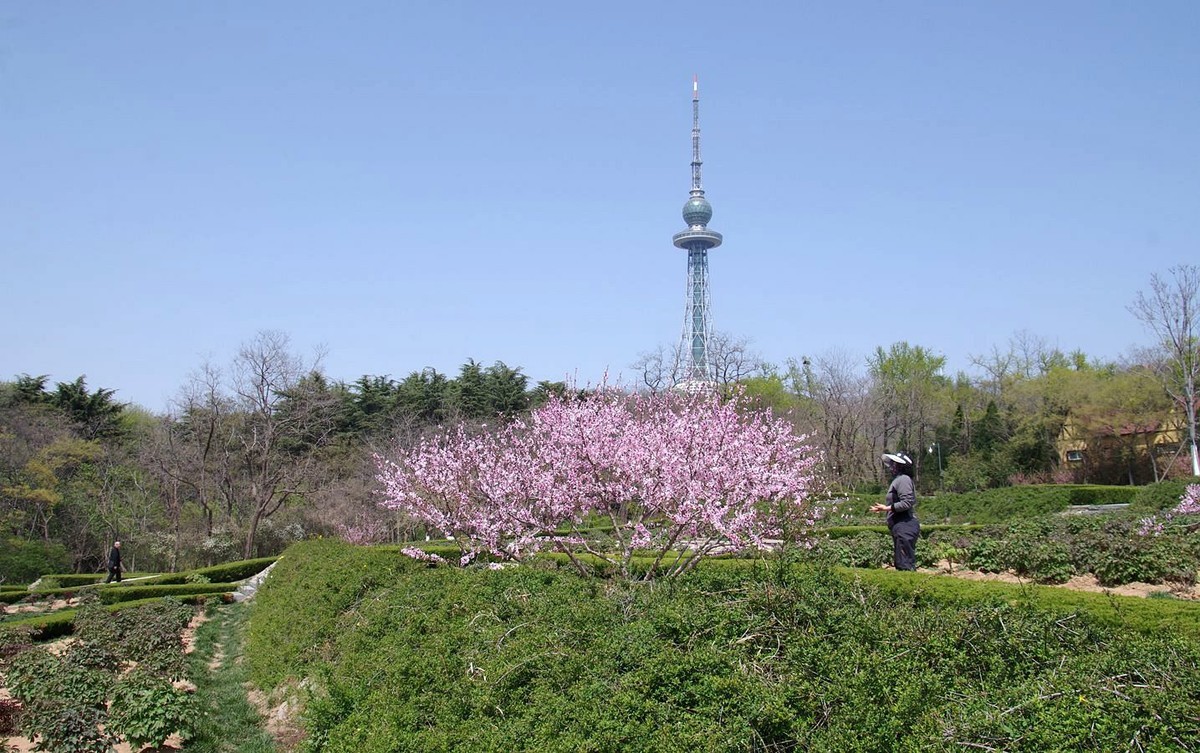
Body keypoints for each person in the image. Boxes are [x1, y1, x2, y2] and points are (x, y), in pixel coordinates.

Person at [870, 452, 920, 571]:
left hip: (905, 525)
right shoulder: (899, 480)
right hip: (900, 526)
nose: (891, 467)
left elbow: (907, 502)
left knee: (904, 564)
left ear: (900, 466)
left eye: (894, 464)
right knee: (901, 562)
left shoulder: (903, 479)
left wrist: (886, 508)